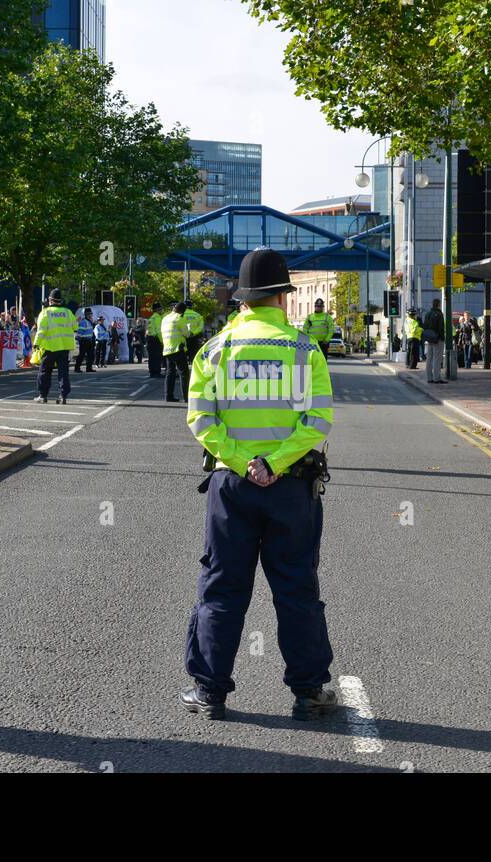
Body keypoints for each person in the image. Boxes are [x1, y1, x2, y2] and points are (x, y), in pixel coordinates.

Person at [180, 247, 336, 721]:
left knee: (223, 587)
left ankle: (210, 692)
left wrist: (247, 462)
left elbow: (200, 419)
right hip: (292, 488)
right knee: (295, 588)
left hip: (232, 485)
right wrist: (274, 463)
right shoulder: (305, 351)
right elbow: (317, 421)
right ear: (283, 299)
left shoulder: (214, 350)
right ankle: (308, 692)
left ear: (242, 300)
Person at [33, 290, 76, 404]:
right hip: (64, 347)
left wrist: (36, 344)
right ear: (60, 301)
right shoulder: (68, 312)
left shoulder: (45, 312)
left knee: (45, 371)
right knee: (63, 372)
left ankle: (43, 396)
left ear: (50, 301)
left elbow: (41, 330)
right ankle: (63, 396)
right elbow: (75, 326)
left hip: (50, 347)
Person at [161, 301, 191, 402]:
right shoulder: (179, 318)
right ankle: (187, 398)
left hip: (167, 349)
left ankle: (168, 396)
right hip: (178, 348)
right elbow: (186, 334)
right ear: (182, 311)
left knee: (170, 373)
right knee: (184, 373)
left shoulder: (165, 318)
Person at [422, 298, 446, 384]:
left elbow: (425, 326)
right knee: (437, 359)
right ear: (439, 305)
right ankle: (437, 378)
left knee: (429, 358)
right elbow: (441, 328)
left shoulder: (428, 314)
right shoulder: (439, 314)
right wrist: (442, 338)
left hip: (429, 338)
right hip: (437, 339)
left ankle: (429, 378)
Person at [146, 302, 165, 378]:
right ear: (158, 310)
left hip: (150, 339)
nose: (162, 311)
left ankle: (152, 372)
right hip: (156, 340)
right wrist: (162, 341)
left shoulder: (151, 318)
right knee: (157, 357)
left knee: (151, 357)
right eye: (161, 310)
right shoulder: (158, 318)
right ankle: (157, 372)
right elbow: (159, 331)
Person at [74, 309, 96, 373]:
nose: (90, 315)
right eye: (89, 314)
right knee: (81, 355)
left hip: (89, 340)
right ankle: (77, 368)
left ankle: (89, 368)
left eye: (91, 314)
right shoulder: (83, 322)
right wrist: (79, 339)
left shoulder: (89, 322)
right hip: (84, 341)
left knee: (90, 355)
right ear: (86, 315)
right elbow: (80, 331)